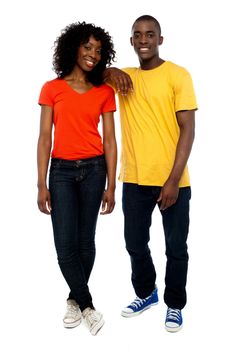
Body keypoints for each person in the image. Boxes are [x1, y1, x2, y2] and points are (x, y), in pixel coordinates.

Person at [104, 15, 197, 332]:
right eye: (137, 35)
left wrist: (172, 180)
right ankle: (146, 294)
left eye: (150, 34)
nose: (144, 39)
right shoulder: (123, 78)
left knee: (176, 248)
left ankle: (174, 305)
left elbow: (188, 130)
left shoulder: (178, 75)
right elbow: (88, 74)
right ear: (131, 41)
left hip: (174, 182)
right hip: (134, 180)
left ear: (160, 39)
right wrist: (110, 70)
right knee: (134, 243)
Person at [37, 21, 117, 336]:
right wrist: (40, 182)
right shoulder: (51, 88)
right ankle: (86, 305)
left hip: (95, 170)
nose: (93, 55)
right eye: (87, 47)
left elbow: (110, 140)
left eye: (98, 50)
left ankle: (73, 299)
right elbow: (45, 137)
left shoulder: (104, 91)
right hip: (61, 172)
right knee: (64, 245)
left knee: (85, 241)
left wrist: (112, 184)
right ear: (74, 47)